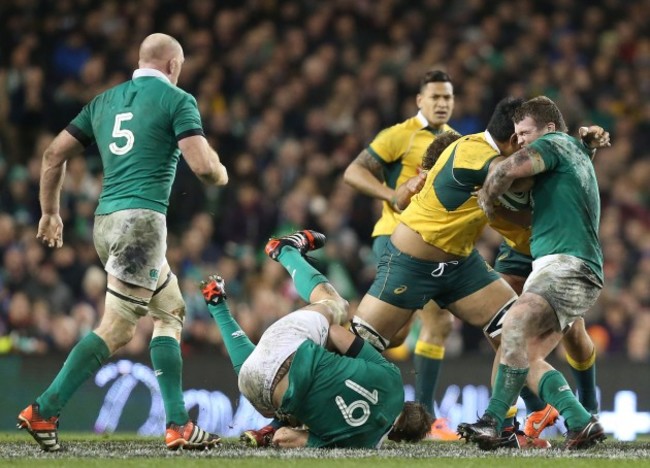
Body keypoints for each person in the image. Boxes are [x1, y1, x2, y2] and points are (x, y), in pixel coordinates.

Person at [17, 33, 228, 452]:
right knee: (117, 328)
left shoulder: (103, 101)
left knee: (170, 310)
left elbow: (52, 156)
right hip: (142, 224)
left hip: (105, 222)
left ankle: (177, 424)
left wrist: (50, 212)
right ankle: (44, 409)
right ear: (172, 66)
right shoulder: (178, 100)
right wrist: (222, 173)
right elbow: (203, 167)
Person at [458, 96, 607, 450]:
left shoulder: (554, 143)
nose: (520, 140)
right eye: (516, 134)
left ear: (549, 129)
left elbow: (506, 171)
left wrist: (487, 201)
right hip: (559, 265)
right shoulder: (569, 151)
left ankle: (494, 421)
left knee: (514, 321)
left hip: (567, 264)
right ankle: (579, 420)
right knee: (525, 353)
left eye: (525, 132)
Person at [200, 230, 432, 448]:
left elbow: (336, 333)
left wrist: (339, 362)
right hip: (258, 391)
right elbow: (283, 438)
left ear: (407, 403)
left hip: (288, 348)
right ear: (397, 437)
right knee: (273, 403)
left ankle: (285, 250)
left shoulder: (391, 378)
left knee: (337, 306)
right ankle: (217, 305)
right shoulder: (359, 444)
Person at [343, 70, 458, 439]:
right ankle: (330, 386)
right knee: (387, 334)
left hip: (436, 244)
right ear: (419, 100)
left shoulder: (456, 141)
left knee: (437, 323)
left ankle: (426, 417)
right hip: (394, 239)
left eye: (448, 98)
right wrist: (390, 195)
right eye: (435, 97)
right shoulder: (399, 135)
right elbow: (353, 172)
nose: (442, 103)